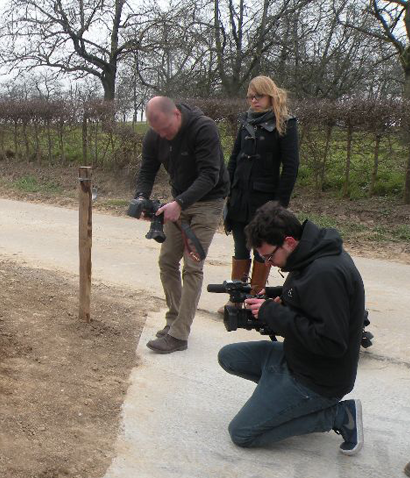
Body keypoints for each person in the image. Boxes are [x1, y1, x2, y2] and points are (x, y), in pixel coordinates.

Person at [218, 202, 365, 453]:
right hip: (297, 358)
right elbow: (305, 296)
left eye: (269, 256)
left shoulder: (325, 273)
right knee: (229, 357)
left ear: (289, 241)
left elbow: (330, 342)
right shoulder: (310, 254)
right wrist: (277, 295)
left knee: (242, 433)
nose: (269, 263)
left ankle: (339, 415)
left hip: (318, 379)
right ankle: (282, 403)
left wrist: (272, 312)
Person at [135, 96, 229, 354]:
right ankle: (174, 320)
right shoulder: (155, 136)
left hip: (208, 202)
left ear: (176, 114)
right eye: (157, 131)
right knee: (167, 261)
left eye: (166, 129)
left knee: (192, 265)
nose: (163, 136)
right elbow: (147, 170)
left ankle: (179, 335)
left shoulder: (203, 128)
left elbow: (211, 174)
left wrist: (180, 202)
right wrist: (141, 198)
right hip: (179, 201)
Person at [220, 75, 299, 314]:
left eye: (258, 96)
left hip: (265, 201)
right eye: (250, 97)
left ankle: (255, 302)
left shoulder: (285, 123)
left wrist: (279, 206)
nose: (253, 101)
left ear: (270, 96)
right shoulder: (246, 121)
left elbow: (291, 167)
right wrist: (227, 190)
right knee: (239, 248)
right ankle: (236, 299)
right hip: (239, 198)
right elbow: (234, 159)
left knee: (262, 250)